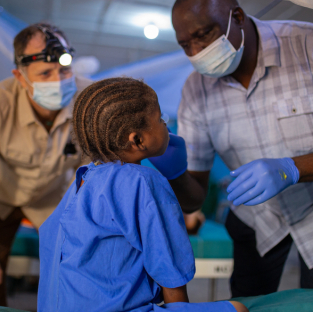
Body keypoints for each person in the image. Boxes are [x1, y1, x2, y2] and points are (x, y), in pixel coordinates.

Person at [148, 0, 313, 298]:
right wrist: (175, 173)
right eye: (185, 45)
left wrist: (291, 168)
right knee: (247, 301)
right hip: (257, 219)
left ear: (236, 17)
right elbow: (195, 196)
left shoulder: (305, 45)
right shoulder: (196, 91)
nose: (197, 52)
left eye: (204, 34)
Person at [37, 77, 247, 312]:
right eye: (160, 119)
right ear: (137, 139)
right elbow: (170, 268)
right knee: (238, 309)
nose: (166, 127)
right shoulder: (144, 181)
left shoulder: (84, 177)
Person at [0, 23, 91, 306]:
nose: (58, 80)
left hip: (49, 198)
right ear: (20, 76)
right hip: (0, 198)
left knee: (73, 268)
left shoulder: (87, 100)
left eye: (64, 70)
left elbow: (95, 171)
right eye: (45, 73)